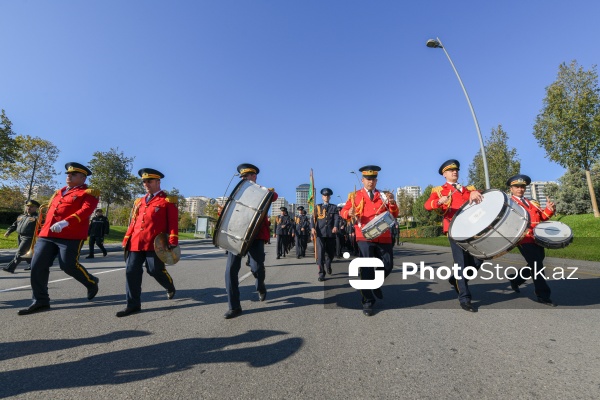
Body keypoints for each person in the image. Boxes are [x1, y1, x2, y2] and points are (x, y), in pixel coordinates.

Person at [17, 162, 101, 315]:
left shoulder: (89, 193)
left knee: (68, 265)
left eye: (73, 174)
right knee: (37, 266)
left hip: (71, 235)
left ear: (83, 178)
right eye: (68, 174)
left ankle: (91, 282)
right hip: (48, 234)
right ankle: (40, 301)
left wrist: (66, 222)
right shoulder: (58, 192)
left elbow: (86, 210)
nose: (69, 176)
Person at [117, 168, 178, 317]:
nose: (146, 184)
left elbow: (173, 222)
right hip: (136, 242)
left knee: (154, 270)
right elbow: (134, 221)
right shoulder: (139, 201)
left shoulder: (167, 201)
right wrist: (127, 237)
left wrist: (173, 239)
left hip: (155, 243)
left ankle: (169, 285)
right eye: (144, 181)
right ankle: (133, 305)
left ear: (158, 182)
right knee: (131, 271)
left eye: (149, 181)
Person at [424, 159, 482, 313]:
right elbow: (427, 205)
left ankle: (455, 279)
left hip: (471, 229)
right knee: (461, 264)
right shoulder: (438, 190)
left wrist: (477, 192)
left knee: (478, 259)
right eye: (450, 171)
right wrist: (438, 201)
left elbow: (481, 201)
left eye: (456, 170)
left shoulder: (468, 189)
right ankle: (465, 298)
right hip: (454, 229)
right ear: (444, 174)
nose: (454, 172)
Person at [340, 166, 399, 316]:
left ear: (376, 180)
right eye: (368, 179)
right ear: (363, 180)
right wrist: (349, 212)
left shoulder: (384, 195)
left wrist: (392, 203)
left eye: (373, 179)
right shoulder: (355, 196)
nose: (370, 182)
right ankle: (367, 301)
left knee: (388, 264)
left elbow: (395, 213)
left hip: (383, 234)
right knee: (366, 267)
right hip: (364, 235)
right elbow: (343, 212)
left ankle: (375, 282)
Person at [223, 163, 278, 319]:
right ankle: (234, 307)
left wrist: (260, 190)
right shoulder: (236, 193)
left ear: (254, 177)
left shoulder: (263, 191)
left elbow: (274, 196)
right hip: (236, 234)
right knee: (230, 270)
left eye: (246, 176)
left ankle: (260, 285)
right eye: (242, 176)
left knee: (257, 267)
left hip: (255, 235)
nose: (243, 179)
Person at [506, 174, 556, 306]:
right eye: (517, 186)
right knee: (537, 265)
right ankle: (543, 295)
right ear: (511, 188)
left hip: (537, 238)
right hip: (523, 238)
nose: (520, 189)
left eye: (522, 186)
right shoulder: (509, 204)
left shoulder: (531, 202)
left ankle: (516, 280)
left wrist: (549, 210)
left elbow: (542, 217)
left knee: (537, 262)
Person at [3, 200, 40, 273]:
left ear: (36, 208)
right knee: (24, 253)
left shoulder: (37, 217)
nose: (29, 208)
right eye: (28, 206)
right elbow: (14, 225)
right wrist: (8, 232)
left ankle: (10, 268)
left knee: (20, 252)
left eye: (31, 207)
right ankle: (34, 266)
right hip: (20, 236)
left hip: (29, 237)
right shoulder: (21, 216)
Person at [310, 188, 340, 281]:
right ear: (322, 197)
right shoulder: (317, 207)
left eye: (327, 196)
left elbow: (336, 218)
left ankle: (328, 264)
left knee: (330, 254)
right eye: (324, 196)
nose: (326, 197)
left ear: (329, 197)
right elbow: (312, 218)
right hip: (320, 233)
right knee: (320, 253)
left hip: (330, 233)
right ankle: (321, 273)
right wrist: (312, 228)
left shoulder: (334, 207)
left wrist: (335, 226)